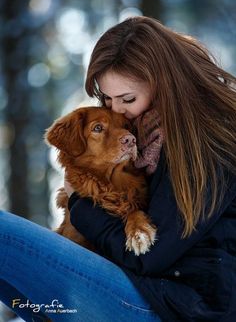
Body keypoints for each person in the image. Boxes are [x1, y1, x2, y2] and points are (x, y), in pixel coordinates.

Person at [0, 16, 235, 322]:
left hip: (174, 309)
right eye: (107, 98)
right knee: (20, 286)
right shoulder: (150, 138)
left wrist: (80, 205)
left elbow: (150, 255)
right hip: (151, 294)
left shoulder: (205, 141)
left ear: (164, 84)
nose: (116, 110)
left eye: (127, 99)